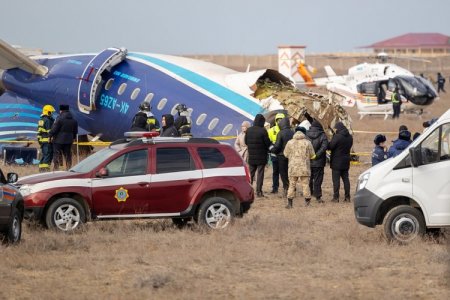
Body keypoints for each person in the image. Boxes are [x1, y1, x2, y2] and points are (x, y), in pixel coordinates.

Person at [283, 128, 315, 208]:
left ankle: (290, 204)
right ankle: (307, 203)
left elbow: (285, 154)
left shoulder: (289, 143)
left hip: (293, 167)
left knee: (292, 185)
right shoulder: (308, 143)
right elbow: (312, 155)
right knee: (305, 185)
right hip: (304, 167)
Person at [245, 114, 272, 198]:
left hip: (252, 156)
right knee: (260, 174)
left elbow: (246, 142)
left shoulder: (249, 130)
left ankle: (248, 191)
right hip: (261, 156)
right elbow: (267, 143)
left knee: (250, 174)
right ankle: (259, 192)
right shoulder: (263, 131)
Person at [328, 122, 353, 202]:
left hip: (336, 162)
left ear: (338, 128)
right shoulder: (350, 137)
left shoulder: (337, 137)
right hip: (346, 161)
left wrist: (331, 139)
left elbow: (330, 147)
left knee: (336, 181)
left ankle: (336, 198)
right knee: (346, 179)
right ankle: (347, 197)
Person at [306, 120, 329, 203]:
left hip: (308, 161)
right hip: (319, 162)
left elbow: (304, 146)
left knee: (309, 178)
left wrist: (309, 155)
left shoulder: (306, 135)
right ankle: (318, 196)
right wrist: (316, 155)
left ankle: (309, 194)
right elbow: (324, 147)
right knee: (318, 179)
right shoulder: (322, 135)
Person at [49, 104, 78, 170]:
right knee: (68, 155)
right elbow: (75, 131)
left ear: (61, 110)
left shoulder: (59, 118)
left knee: (57, 154)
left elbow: (54, 129)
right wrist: (73, 138)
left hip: (58, 140)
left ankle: (56, 168)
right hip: (69, 140)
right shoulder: (74, 120)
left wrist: (50, 135)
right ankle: (68, 168)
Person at [271, 117, 294, 197]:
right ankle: (292, 189)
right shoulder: (292, 132)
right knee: (291, 173)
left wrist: (272, 150)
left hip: (281, 156)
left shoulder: (280, 133)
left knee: (283, 173)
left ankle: (286, 188)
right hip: (291, 156)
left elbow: (277, 146)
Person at [267, 113, 285, 194]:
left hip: (283, 154)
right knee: (275, 172)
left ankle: (286, 187)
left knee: (284, 172)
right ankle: (275, 188)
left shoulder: (285, 130)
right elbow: (268, 142)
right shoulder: (271, 130)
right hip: (274, 154)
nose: (279, 121)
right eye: (278, 120)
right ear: (276, 120)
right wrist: (272, 149)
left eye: (281, 120)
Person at [37, 105, 55, 172]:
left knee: (44, 155)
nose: (52, 114)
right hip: (47, 141)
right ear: (48, 112)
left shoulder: (41, 119)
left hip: (43, 141)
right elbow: (49, 132)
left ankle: (41, 169)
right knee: (48, 155)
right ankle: (45, 170)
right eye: (51, 112)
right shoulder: (47, 120)